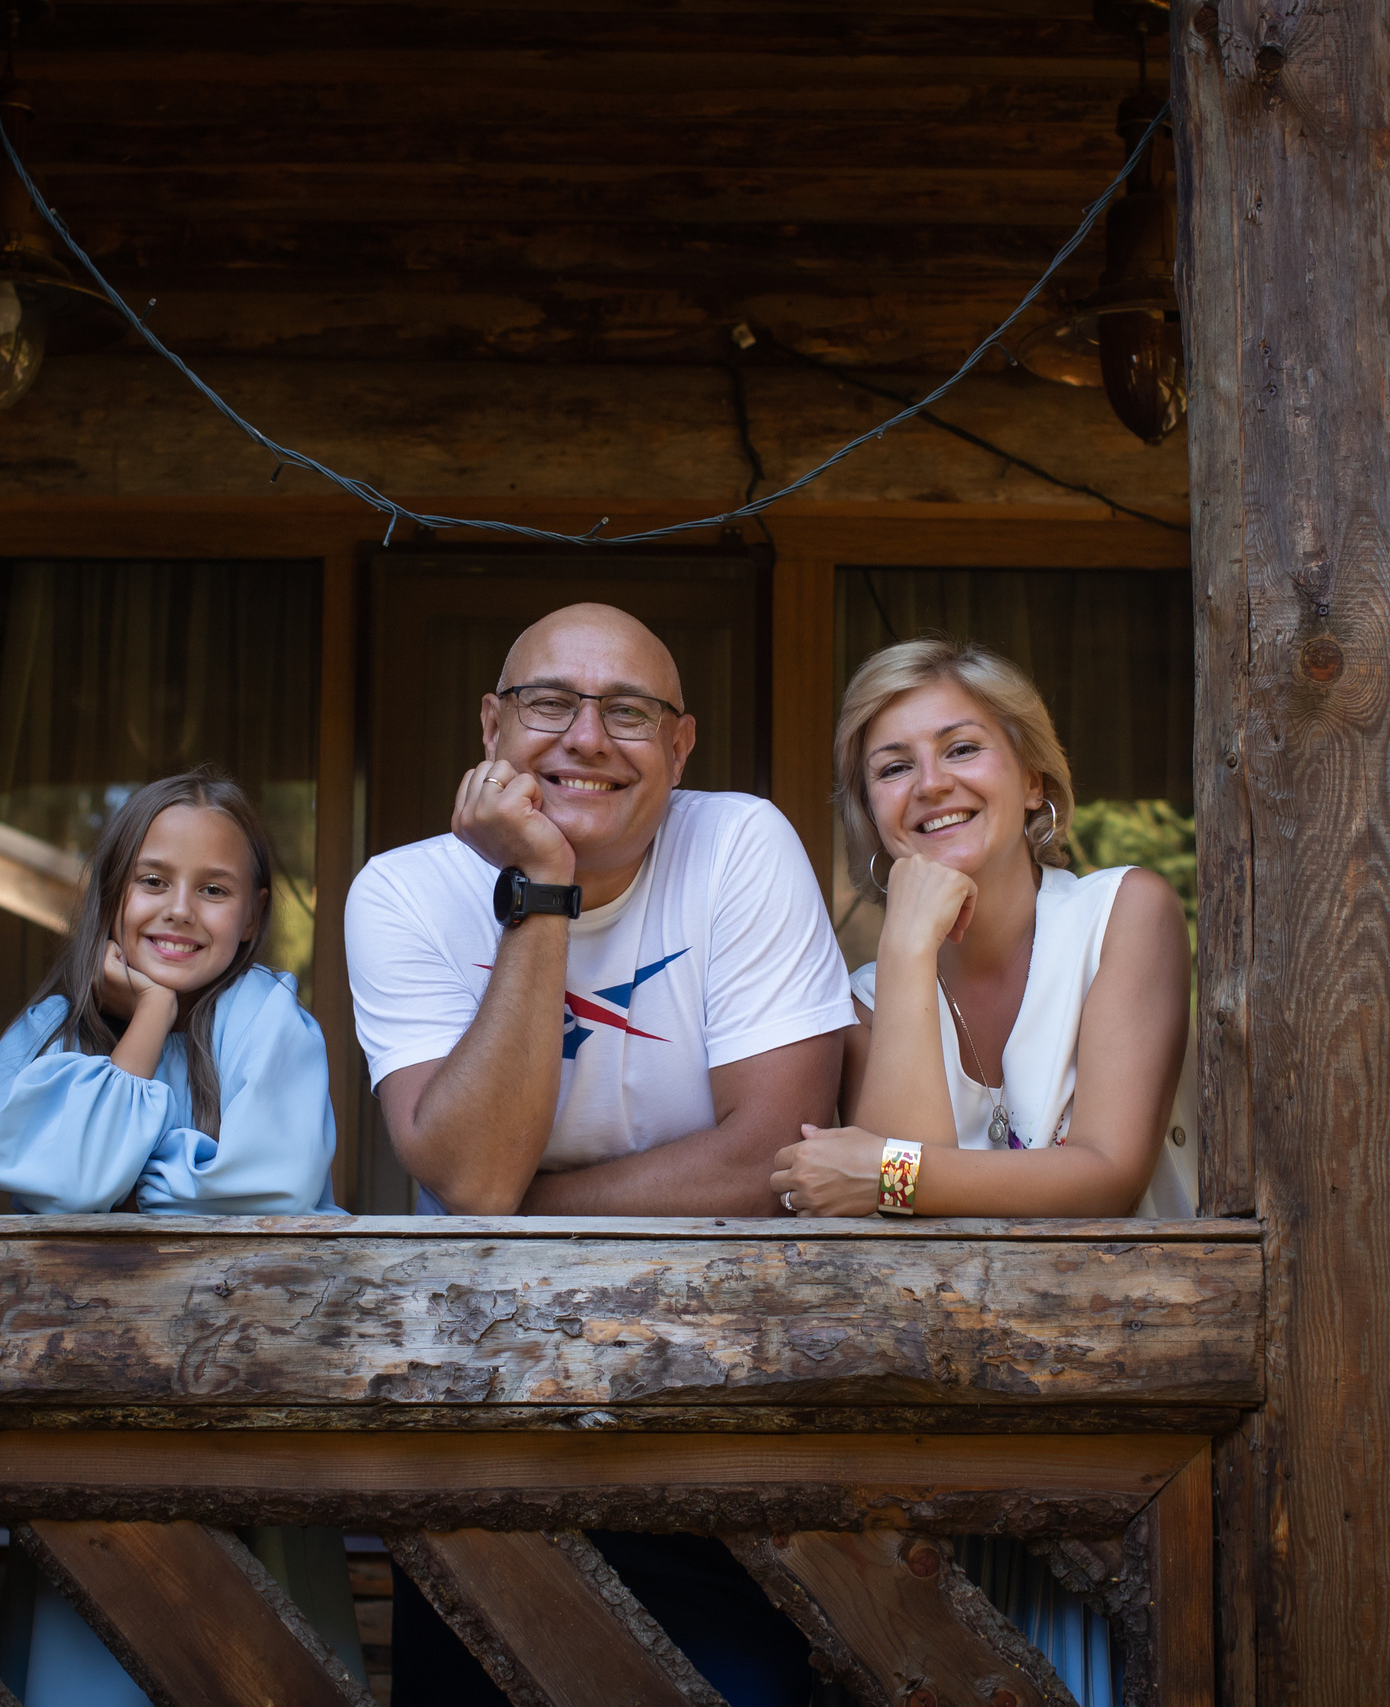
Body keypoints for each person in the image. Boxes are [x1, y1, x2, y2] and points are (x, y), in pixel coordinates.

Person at [345, 602, 854, 1706]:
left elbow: (772, 1152)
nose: (584, 738)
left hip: (717, 1418)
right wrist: (540, 889)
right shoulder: (404, 891)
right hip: (485, 1426)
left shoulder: (740, 842)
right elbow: (471, 1174)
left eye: (628, 712)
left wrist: (516, 1210)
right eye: (547, 704)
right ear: (491, 726)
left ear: (680, 746)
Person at [771, 636, 1196, 1702]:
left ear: (1033, 778)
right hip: (943, 1439)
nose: (931, 784)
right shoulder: (868, 991)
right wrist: (910, 949)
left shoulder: (1122, 912)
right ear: (869, 809)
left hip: (1133, 1427)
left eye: (962, 747)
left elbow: (1100, 1172)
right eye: (892, 765)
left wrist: (888, 1176)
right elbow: (908, 1231)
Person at [0, 769, 361, 1703]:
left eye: (214, 889)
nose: (180, 910)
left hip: (252, 1418)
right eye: (152, 881)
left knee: (257, 1662)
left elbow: (265, 1190)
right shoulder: (46, 1031)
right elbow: (62, 1200)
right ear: (110, 894)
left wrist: (112, 1170)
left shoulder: (272, 1023)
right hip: (89, 1430)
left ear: (253, 913)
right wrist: (147, 1020)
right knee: (91, 1658)